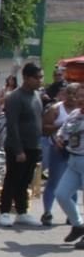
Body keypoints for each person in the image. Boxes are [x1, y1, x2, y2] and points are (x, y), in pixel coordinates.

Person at [0, 63, 44, 227]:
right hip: (18, 147)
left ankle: (22, 212)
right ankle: (4, 212)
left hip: (33, 146)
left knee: (25, 181)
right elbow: (13, 125)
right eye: (37, 78)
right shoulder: (15, 97)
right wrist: (18, 150)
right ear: (26, 78)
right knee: (12, 179)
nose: (40, 81)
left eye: (41, 77)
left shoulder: (36, 95)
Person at [54, 83, 84, 247]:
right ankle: (78, 225)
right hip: (73, 160)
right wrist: (59, 138)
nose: (81, 100)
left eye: (83, 97)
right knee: (62, 194)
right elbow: (64, 130)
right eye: (79, 96)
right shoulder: (74, 114)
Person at [41, 82, 75, 226]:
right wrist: (60, 126)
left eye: (77, 95)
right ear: (65, 94)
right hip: (58, 150)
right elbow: (44, 129)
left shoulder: (80, 110)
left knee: (74, 183)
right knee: (54, 181)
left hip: (76, 152)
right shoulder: (56, 109)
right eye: (70, 94)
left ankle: (72, 214)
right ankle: (47, 212)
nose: (74, 98)